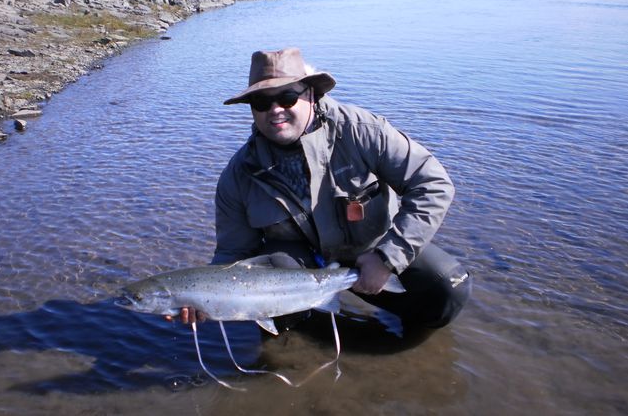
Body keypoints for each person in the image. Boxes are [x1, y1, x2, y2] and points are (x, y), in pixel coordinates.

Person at [180, 47, 471, 330]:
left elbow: (433, 184)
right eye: (261, 103)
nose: (276, 110)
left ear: (312, 94)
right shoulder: (238, 175)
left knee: (447, 290)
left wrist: (387, 258)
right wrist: (204, 299)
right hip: (295, 267)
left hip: (372, 249)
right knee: (272, 306)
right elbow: (234, 253)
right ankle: (296, 338)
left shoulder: (361, 131)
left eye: (287, 97)